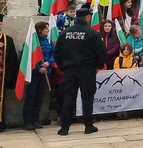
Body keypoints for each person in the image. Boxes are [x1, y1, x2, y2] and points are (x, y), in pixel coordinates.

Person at [54, 7, 105, 136]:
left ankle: (64, 128)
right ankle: (88, 126)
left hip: (69, 70)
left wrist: (63, 67)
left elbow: (57, 53)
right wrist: (98, 66)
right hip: (87, 70)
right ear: (87, 18)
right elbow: (101, 52)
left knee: (68, 98)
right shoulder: (92, 33)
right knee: (87, 98)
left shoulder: (64, 33)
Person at [23, 21, 55, 130]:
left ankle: (36, 119)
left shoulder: (49, 40)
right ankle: (28, 120)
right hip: (33, 74)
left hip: (46, 72)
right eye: (46, 28)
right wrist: (38, 68)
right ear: (40, 30)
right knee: (31, 97)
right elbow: (28, 58)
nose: (48, 30)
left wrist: (48, 62)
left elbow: (53, 54)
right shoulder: (32, 42)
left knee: (40, 97)